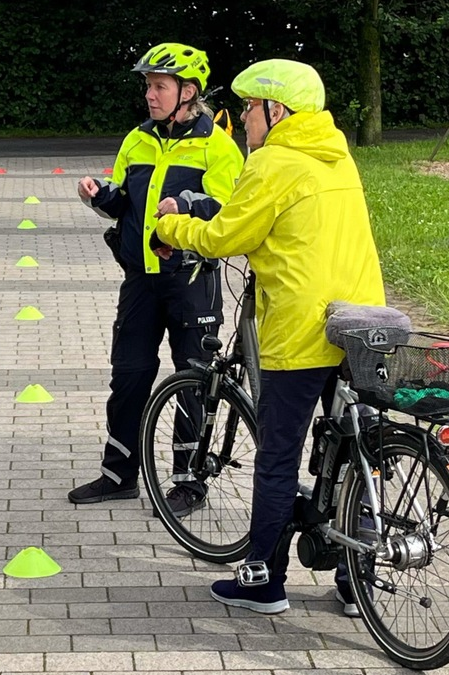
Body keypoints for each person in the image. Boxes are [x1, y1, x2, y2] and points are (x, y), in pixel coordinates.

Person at [152, 59, 387, 614]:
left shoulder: (274, 162)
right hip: (362, 321)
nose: (244, 120)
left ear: (275, 111)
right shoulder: (336, 154)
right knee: (358, 448)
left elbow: (227, 234)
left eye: (249, 108)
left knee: (278, 455)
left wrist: (169, 225)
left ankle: (264, 581)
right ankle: (360, 582)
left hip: (303, 328)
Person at [68, 43, 245, 515]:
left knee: (192, 381)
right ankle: (118, 474)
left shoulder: (218, 146)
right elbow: (125, 199)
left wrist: (188, 204)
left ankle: (189, 480)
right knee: (128, 376)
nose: (150, 94)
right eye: (148, 85)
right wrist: (99, 195)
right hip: (140, 280)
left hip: (190, 280)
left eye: (159, 86)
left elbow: (230, 210)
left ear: (189, 92)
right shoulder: (137, 139)